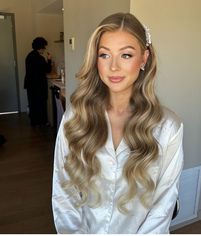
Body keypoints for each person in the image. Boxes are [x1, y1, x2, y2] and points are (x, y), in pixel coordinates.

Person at [52, 12, 184, 234]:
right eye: (104, 55)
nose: (113, 67)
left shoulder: (168, 127)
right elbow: (63, 190)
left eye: (126, 55)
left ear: (144, 58)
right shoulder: (75, 117)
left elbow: (164, 204)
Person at [24, 37, 52, 126]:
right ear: (40, 47)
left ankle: (34, 122)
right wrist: (49, 59)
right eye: (44, 47)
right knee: (41, 103)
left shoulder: (29, 56)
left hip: (30, 84)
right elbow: (47, 69)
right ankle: (42, 122)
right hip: (38, 84)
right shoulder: (40, 58)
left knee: (32, 103)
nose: (44, 49)